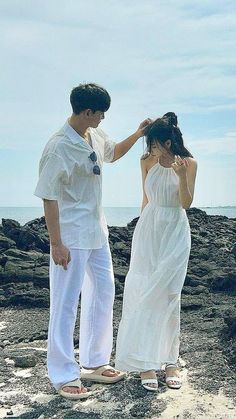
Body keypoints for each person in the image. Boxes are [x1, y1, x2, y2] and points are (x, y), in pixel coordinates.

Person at [34, 83, 151, 399]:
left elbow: (112, 153)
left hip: (97, 233)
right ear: (87, 111)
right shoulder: (58, 146)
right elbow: (48, 196)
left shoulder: (95, 134)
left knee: (104, 291)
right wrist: (56, 243)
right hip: (70, 236)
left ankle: (94, 363)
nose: (103, 118)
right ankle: (63, 375)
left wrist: (138, 134)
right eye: (100, 113)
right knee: (65, 303)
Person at [115, 112, 197, 391]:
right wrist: (137, 233)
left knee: (169, 295)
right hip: (149, 229)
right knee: (142, 291)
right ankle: (145, 363)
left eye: (154, 144)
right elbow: (145, 198)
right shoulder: (146, 161)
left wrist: (183, 175)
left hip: (175, 228)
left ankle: (170, 360)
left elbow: (185, 204)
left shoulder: (189, 163)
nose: (150, 149)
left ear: (168, 142)